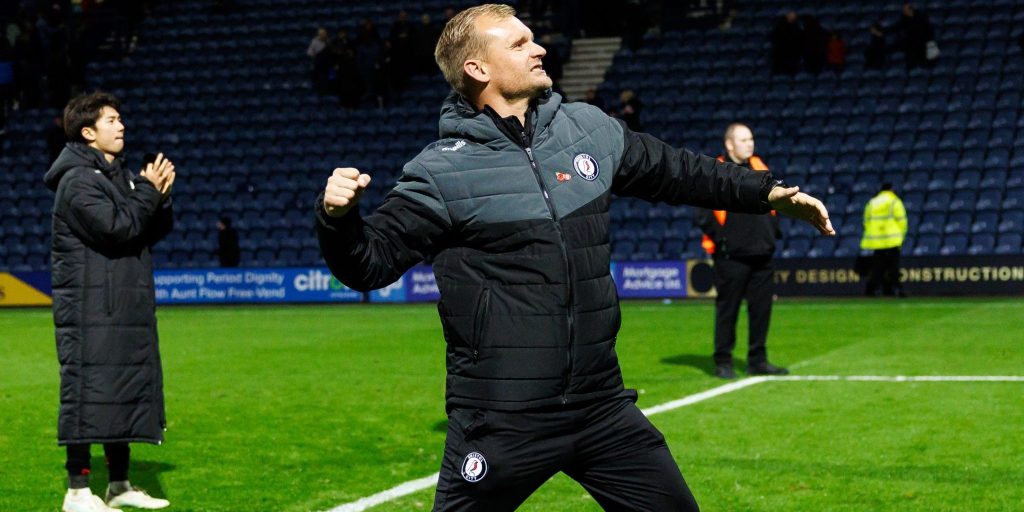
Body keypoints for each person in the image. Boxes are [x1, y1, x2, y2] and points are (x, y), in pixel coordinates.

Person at [316, 5, 833, 510]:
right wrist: (338, 220)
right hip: (503, 416)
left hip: (600, 405)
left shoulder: (588, 129)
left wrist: (765, 192)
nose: (539, 48)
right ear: (478, 69)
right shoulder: (441, 172)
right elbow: (369, 263)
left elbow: (681, 171)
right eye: (519, 43)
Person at [44, 91, 175, 512]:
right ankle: (77, 491)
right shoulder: (77, 182)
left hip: (120, 307)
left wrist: (160, 197)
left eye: (120, 119)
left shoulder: (117, 177)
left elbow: (146, 231)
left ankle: (119, 485)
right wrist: (148, 192)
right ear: (88, 133)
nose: (121, 126)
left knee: (120, 392)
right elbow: (118, 229)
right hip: (91, 311)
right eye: (112, 120)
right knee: (89, 394)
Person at [694, 123, 788, 380]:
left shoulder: (760, 167)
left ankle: (758, 360)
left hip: (762, 253)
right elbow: (702, 213)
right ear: (729, 144)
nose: (750, 144)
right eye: (744, 140)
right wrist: (724, 240)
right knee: (728, 310)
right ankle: (723, 361)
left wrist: (772, 234)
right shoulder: (716, 171)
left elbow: (777, 204)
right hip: (731, 256)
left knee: (761, 311)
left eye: (751, 139)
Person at [860, 182, 907, 297]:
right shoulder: (895, 201)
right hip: (892, 240)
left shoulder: (872, 202)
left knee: (877, 268)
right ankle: (897, 290)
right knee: (894, 267)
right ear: (891, 189)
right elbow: (902, 221)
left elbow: (866, 221)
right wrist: (901, 236)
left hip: (876, 241)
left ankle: (871, 291)